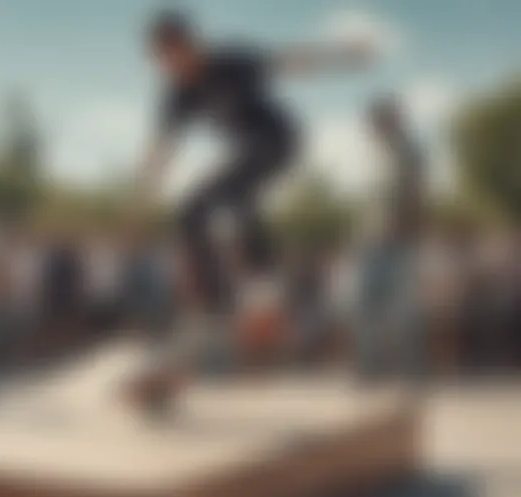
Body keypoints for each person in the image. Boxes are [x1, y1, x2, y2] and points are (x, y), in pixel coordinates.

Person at [124, 10, 378, 409]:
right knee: (190, 210)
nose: (174, 68)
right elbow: (161, 149)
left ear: (192, 45)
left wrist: (345, 56)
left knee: (233, 193)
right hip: (246, 153)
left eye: (178, 57)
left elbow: (291, 61)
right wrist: (140, 193)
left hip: (281, 137)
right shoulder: (175, 94)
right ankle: (215, 305)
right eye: (164, 62)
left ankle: (261, 285)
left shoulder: (231, 62)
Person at [354, 96, 426, 381]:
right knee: (366, 304)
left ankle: (409, 371)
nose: (372, 128)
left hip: (397, 237)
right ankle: (370, 370)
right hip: (372, 236)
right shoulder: (377, 153)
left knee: (402, 307)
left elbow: (413, 191)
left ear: (389, 122)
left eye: (376, 122)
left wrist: (403, 227)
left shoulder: (407, 150)